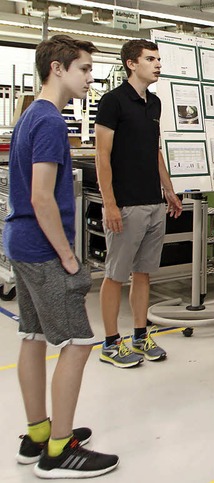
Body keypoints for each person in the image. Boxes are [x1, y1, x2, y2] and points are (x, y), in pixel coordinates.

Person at [5, 34, 119, 478]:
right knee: (77, 343)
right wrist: (69, 258)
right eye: (85, 68)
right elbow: (42, 197)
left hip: (19, 241)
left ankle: (38, 434)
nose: (91, 77)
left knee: (33, 337)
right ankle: (60, 449)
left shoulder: (30, 113)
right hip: (41, 246)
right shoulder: (51, 120)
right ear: (58, 68)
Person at [95, 39, 183, 368]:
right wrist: (110, 204)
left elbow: (154, 151)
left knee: (143, 273)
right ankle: (110, 342)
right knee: (115, 275)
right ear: (132, 63)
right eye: (150, 59)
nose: (157, 64)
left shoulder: (155, 103)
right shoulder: (112, 102)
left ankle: (140, 335)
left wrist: (169, 191)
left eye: (159, 58)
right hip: (126, 202)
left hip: (153, 201)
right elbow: (102, 156)